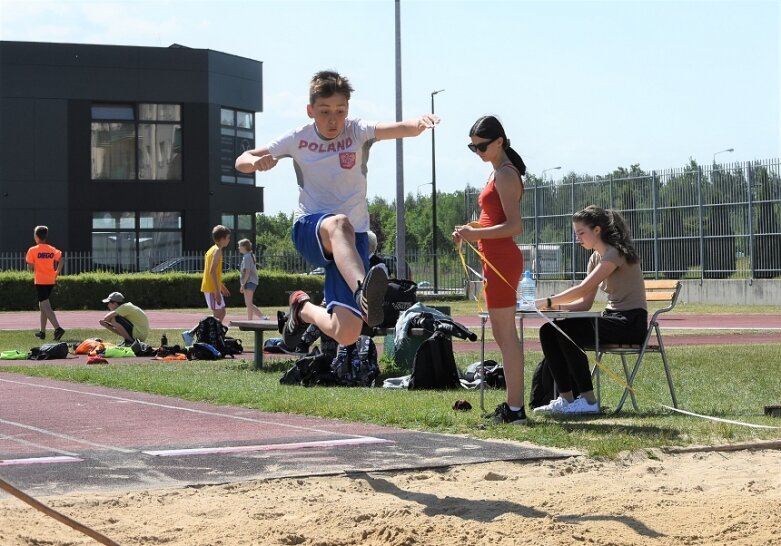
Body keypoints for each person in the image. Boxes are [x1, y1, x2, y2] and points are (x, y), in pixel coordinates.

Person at [235, 70, 438, 347]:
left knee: (347, 333)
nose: (333, 120)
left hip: (352, 243)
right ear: (310, 110)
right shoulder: (297, 138)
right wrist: (255, 163)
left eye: (340, 111)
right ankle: (360, 291)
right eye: (325, 111)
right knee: (338, 223)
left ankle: (301, 308)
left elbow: (401, 127)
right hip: (310, 227)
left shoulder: (357, 131)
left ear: (348, 109)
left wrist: (420, 123)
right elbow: (242, 160)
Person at [532, 205, 648, 415]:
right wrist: (557, 309)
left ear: (597, 230)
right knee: (548, 330)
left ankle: (588, 401)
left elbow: (583, 288)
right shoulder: (595, 257)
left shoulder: (615, 253)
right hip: (612, 318)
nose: (578, 238)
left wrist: (546, 302)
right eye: (575, 233)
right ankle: (566, 399)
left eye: (581, 233)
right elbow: (585, 303)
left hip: (630, 323)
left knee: (568, 330)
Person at [452, 115, 527, 425]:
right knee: (503, 334)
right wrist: (473, 227)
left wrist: (475, 234)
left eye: (482, 146)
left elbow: (515, 226)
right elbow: (493, 218)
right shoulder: (497, 172)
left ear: (499, 141)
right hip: (492, 259)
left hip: (501, 260)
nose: (478, 151)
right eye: (473, 147)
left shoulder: (506, 175)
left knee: (507, 337)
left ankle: (515, 409)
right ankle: (514, 407)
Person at [25, 225, 65, 341]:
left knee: (45, 305)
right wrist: (56, 272)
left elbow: (30, 267)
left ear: (36, 237)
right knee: (42, 305)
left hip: (40, 281)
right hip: (50, 280)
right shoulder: (51, 249)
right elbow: (61, 260)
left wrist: (31, 266)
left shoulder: (33, 250)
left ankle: (58, 328)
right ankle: (42, 332)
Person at [201, 225, 231, 323]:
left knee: (221, 312)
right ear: (222, 239)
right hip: (211, 288)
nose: (229, 240)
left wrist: (221, 287)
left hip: (213, 287)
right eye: (228, 238)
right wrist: (217, 292)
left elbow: (215, 273)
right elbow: (211, 271)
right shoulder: (217, 251)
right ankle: (210, 334)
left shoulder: (214, 249)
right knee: (219, 313)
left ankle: (213, 334)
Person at [238, 238, 264, 320]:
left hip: (249, 282)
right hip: (250, 282)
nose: (238, 248)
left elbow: (247, 272)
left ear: (244, 247)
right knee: (248, 303)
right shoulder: (248, 256)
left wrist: (242, 284)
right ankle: (253, 319)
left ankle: (261, 317)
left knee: (249, 303)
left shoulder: (247, 257)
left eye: (240, 246)